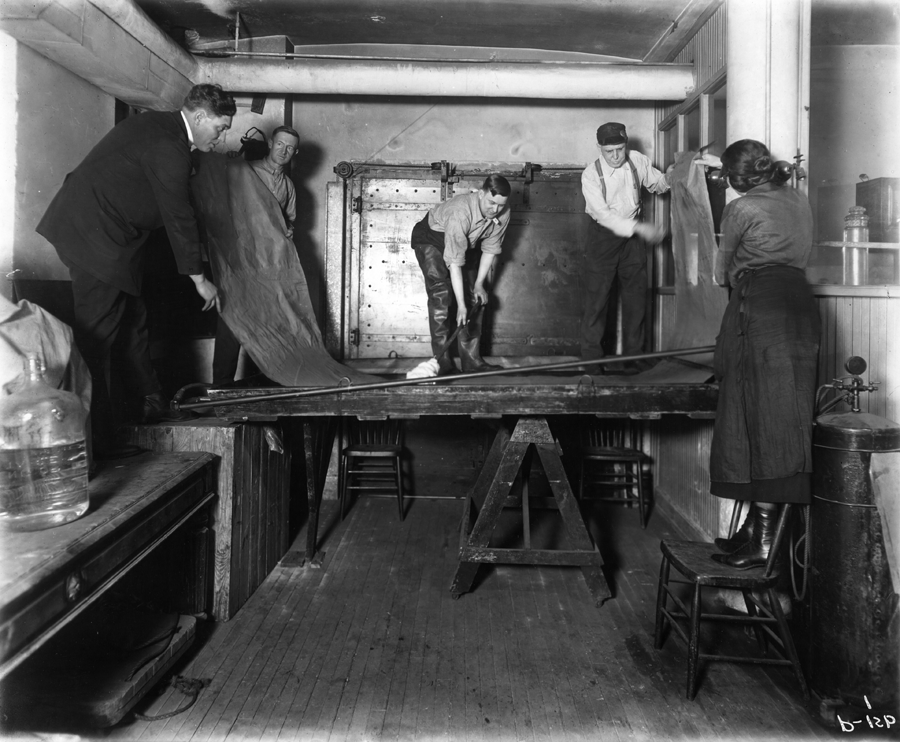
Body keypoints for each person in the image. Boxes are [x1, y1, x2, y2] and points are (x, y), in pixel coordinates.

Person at [36, 83, 236, 457]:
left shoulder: (162, 129)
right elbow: (179, 216)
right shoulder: (169, 146)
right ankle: (90, 444)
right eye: (220, 127)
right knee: (97, 339)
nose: (222, 135)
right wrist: (199, 280)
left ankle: (151, 402)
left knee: (134, 318)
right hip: (94, 239)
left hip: (112, 238)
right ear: (200, 116)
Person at [696, 139, 820, 569]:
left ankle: (765, 542)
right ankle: (754, 530)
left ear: (734, 179)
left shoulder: (740, 208)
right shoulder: (798, 199)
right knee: (783, 417)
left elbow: (719, 272)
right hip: (801, 308)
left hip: (760, 309)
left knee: (756, 417)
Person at [580, 122, 671, 373]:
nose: (616, 156)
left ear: (626, 144)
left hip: (632, 240)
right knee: (597, 300)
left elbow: (659, 185)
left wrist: (673, 175)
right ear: (599, 148)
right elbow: (605, 216)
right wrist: (643, 230)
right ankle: (591, 362)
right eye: (609, 151)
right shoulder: (590, 174)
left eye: (620, 149)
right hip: (603, 237)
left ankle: (634, 358)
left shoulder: (637, 160)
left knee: (636, 297)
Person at [212, 125, 300, 386]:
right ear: (271, 143)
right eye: (280, 144)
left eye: (290, 148)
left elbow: (290, 221)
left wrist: (288, 232)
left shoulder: (288, 186)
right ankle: (221, 389)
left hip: (268, 267)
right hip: (239, 262)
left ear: (295, 152)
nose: (284, 151)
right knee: (231, 322)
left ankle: (258, 388)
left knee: (267, 324)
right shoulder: (243, 170)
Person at [410, 175, 511, 376]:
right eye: (491, 203)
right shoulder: (460, 213)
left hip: (465, 243)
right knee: (442, 296)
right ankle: (443, 363)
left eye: (500, 205)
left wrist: (480, 284)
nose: (495, 210)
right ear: (481, 194)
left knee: (477, 297)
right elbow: (455, 264)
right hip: (432, 239)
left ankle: (472, 361)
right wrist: (461, 307)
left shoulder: (503, 212)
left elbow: (490, 250)